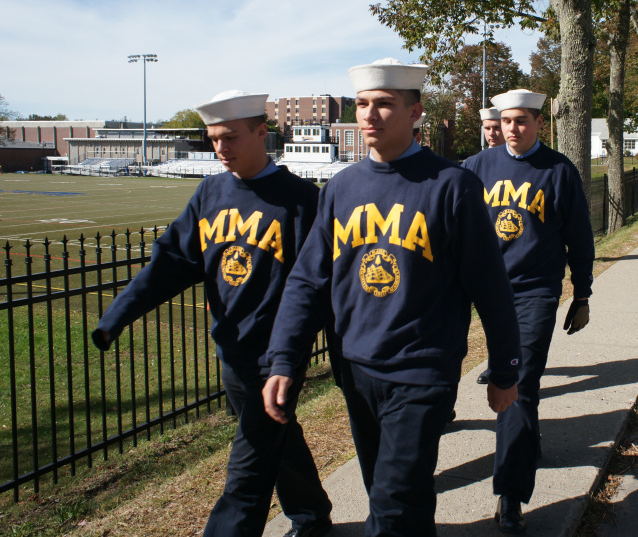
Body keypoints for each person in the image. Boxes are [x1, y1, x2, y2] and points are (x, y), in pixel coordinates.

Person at [263, 58, 522, 536]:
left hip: (422, 371)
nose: (369, 115)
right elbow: (307, 282)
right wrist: (283, 360)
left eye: (383, 104)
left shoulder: (453, 187)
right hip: (357, 369)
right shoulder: (341, 188)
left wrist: (506, 367)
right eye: (362, 105)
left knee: (392, 505)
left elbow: (490, 286)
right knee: (397, 494)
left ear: (415, 111)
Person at [90, 90, 332, 537]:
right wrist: (116, 317)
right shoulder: (210, 191)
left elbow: (316, 285)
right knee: (276, 437)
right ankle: (313, 514)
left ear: (262, 132)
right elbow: (171, 261)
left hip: (276, 355)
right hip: (231, 350)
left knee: (249, 465)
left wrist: (289, 352)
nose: (220, 148)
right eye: (213, 139)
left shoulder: (301, 200)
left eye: (230, 137)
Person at [463, 89, 595, 535]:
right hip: (485, 290)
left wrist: (582, 294)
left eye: (522, 121)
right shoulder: (477, 168)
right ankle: (525, 447)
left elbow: (579, 235)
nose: (513, 129)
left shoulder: (559, 170)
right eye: (506, 121)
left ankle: (511, 494)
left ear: (540, 123)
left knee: (518, 384)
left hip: (534, 292)